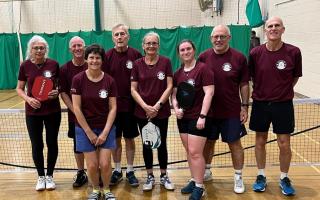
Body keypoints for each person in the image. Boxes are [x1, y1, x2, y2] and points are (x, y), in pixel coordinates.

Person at [249, 16, 302, 196]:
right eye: (270, 26)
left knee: (284, 144)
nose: (273, 28)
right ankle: (261, 175)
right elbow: (252, 77)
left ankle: (284, 177)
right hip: (260, 104)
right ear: (266, 30)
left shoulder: (294, 52)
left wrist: (281, 92)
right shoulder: (256, 53)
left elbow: (294, 78)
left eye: (276, 26)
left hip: (283, 105)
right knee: (260, 141)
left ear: (283, 29)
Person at [198, 25, 250, 194]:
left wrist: (244, 106)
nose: (218, 39)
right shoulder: (203, 57)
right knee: (208, 143)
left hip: (231, 111)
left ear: (229, 37)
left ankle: (238, 176)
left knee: (235, 144)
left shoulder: (239, 58)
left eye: (222, 36)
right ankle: (206, 171)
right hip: (209, 112)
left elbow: (244, 84)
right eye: (215, 37)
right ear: (211, 38)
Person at [72, 44, 117, 200]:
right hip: (84, 129)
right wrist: (89, 132)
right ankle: (96, 190)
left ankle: (106, 189)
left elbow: (113, 108)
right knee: (91, 165)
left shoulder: (110, 81)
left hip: (106, 127)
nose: (94, 60)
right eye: (91, 57)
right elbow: (76, 108)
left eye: (98, 57)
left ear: (102, 60)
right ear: (86, 59)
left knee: (105, 164)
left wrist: (105, 132)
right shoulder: (77, 80)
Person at [16, 35, 61, 191]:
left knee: (52, 143)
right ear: (31, 49)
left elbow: (60, 86)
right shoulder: (25, 66)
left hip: (53, 111)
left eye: (42, 47)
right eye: (36, 48)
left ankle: (50, 176)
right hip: (33, 113)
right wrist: (28, 99)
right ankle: (40, 177)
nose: (39, 50)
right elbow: (19, 88)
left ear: (45, 49)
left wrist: (57, 92)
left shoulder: (54, 64)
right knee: (37, 145)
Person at [131, 31, 174, 191]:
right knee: (147, 144)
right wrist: (145, 107)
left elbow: (169, 86)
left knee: (162, 144)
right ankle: (150, 176)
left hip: (161, 112)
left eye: (154, 43)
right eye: (148, 43)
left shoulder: (166, 62)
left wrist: (157, 106)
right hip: (142, 112)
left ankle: (164, 175)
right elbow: (133, 89)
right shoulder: (137, 64)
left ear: (158, 45)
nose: (151, 46)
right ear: (143, 46)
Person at [172, 39, 214, 200]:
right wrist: (176, 109)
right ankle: (193, 179)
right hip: (183, 118)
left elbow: (209, 93)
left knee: (196, 153)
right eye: (182, 50)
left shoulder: (204, 69)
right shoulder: (178, 73)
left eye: (188, 49)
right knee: (189, 152)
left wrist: (202, 116)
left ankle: (199, 186)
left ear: (194, 50)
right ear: (179, 54)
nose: (186, 52)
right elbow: (174, 95)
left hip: (199, 118)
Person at [103, 24, 142, 187]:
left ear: (128, 36)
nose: (119, 37)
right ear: (113, 38)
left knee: (129, 139)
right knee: (115, 139)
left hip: (131, 107)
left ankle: (130, 170)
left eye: (123, 34)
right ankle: (117, 170)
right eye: (116, 34)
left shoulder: (136, 55)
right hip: (112, 108)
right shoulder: (106, 56)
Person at [60, 36, 88, 187]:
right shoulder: (64, 69)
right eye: (74, 46)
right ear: (70, 49)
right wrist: (75, 111)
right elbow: (63, 93)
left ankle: (95, 171)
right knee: (78, 145)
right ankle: (81, 172)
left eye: (80, 45)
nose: (77, 48)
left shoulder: (93, 65)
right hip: (75, 117)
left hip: (94, 115)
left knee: (96, 143)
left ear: (84, 47)